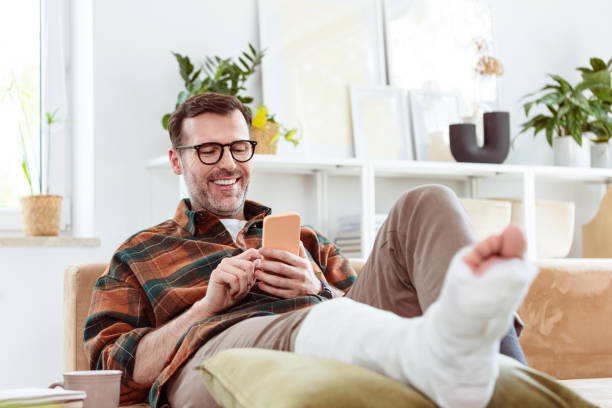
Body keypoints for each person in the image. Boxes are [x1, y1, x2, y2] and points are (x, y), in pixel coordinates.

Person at [84, 92, 535, 408]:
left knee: (428, 200)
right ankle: (450, 354)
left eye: (239, 148)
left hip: (334, 331)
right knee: (308, 327)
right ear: (176, 160)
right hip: (219, 354)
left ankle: (504, 376)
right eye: (208, 150)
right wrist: (205, 307)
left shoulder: (307, 241)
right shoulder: (140, 253)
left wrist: (320, 288)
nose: (228, 162)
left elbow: (372, 313)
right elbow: (112, 372)